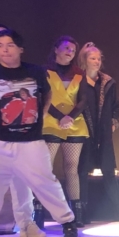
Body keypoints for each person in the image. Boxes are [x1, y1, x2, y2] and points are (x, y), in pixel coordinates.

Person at [0, 29, 79, 237]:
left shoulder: (35, 71)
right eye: (0, 46)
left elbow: (47, 93)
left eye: (10, 45)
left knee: (45, 182)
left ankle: (67, 221)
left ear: (20, 48)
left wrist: (40, 116)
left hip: (30, 141)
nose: (5, 50)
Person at [0, 24, 42, 237]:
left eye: (7, 42)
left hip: (16, 136)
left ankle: (27, 223)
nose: (3, 45)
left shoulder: (21, 70)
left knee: (22, 181)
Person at [76, 43, 119, 221]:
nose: (96, 62)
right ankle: (81, 211)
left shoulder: (107, 82)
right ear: (84, 60)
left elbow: (116, 106)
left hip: (103, 132)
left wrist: (113, 123)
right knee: (82, 171)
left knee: (108, 170)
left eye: (99, 58)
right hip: (83, 131)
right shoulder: (77, 81)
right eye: (92, 58)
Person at [42, 35, 90, 226]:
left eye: (73, 50)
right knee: (45, 168)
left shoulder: (79, 73)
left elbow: (84, 99)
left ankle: (76, 212)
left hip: (73, 123)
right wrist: (60, 117)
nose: (70, 52)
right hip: (51, 122)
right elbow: (43, 97)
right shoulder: (45, 71)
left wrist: (70, 117)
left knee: (71, 168)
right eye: (66, 48)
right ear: (56, 49)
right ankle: (40, 211)